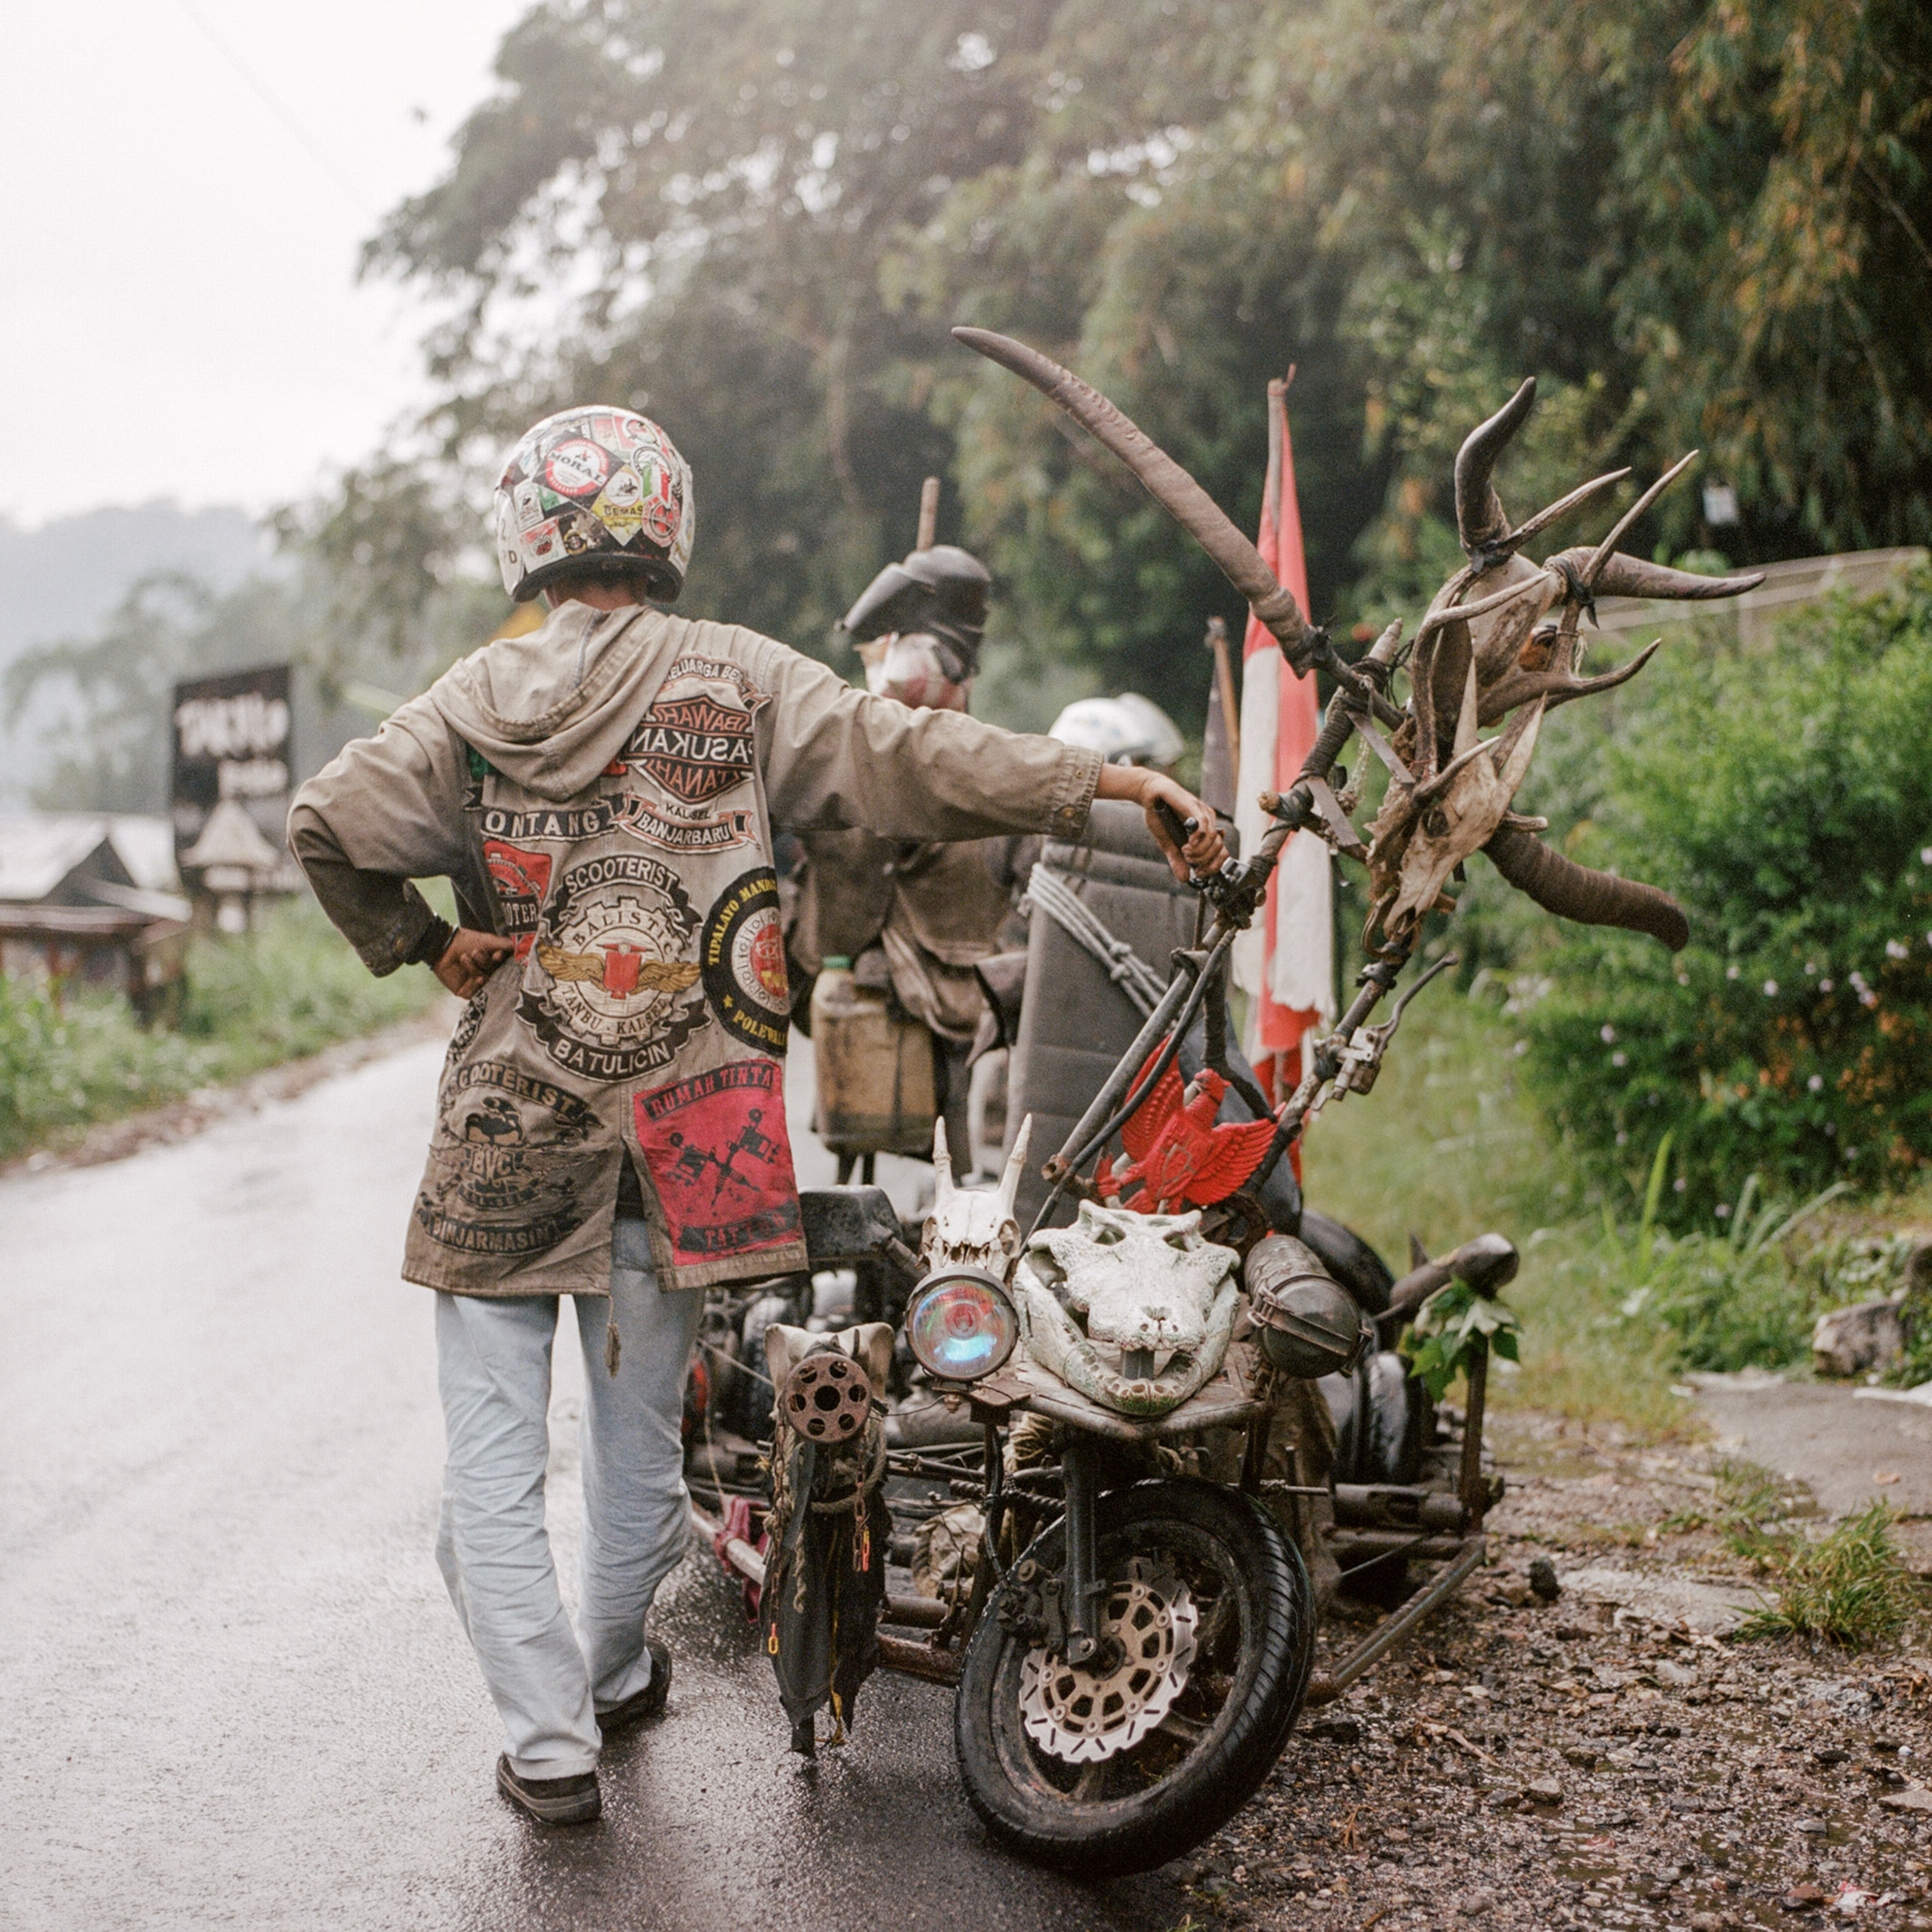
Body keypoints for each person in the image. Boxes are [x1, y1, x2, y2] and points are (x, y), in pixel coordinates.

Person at [286, 405, 1225, 1827]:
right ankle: (605, 1670)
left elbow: (322, 819)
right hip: (692, 1133)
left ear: (525, 539)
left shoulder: (465, 707)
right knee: (631, 1450)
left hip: (509, 1122)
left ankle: (547, 1740)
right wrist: (1109, 775)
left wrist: (425, 942)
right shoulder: (738, 679)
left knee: (487, 1450)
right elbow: (916, 757)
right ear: (665, 528)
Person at [786, 540, 1013, 1172]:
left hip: (937, 934)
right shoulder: (918, 659)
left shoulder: (922, 664)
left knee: (945, 1112)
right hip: (852, 914)